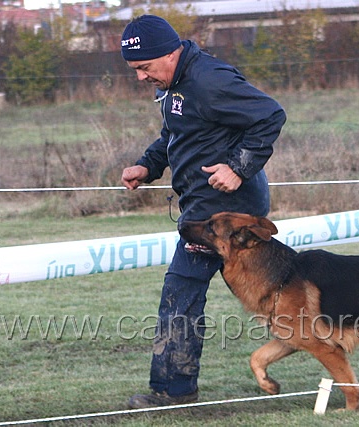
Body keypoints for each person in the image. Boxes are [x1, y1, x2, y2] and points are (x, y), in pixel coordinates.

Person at [119, 15, 286, 409]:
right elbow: (176, 134)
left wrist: (238, 167)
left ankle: (172, 392)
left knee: (185, 295)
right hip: (203, 209)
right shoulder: (175, 85)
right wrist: (148, 165)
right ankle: (174, 390)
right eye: (135, 71)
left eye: (144, 68)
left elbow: (270, 115)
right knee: (272, 298)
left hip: (229, 217)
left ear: (169, 53)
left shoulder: (210, 80)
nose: (141, 78)